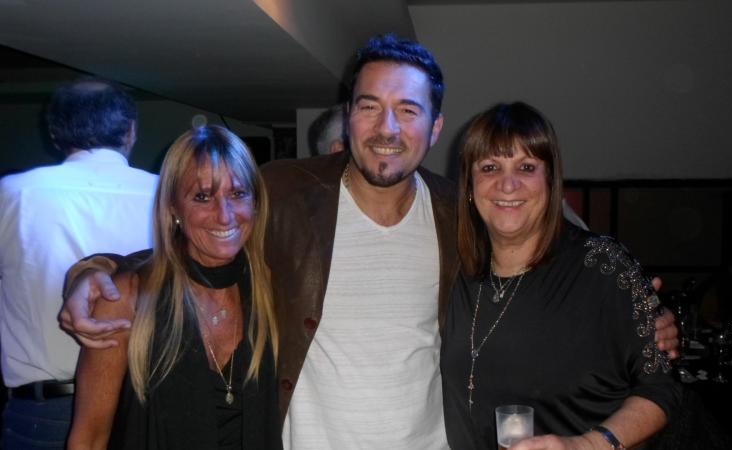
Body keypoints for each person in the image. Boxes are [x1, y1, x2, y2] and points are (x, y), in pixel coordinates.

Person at [58, 35, 679, 449]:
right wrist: (93, 271)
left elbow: (552, 253)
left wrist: (638, 318)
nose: (387, 128)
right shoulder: (286, 193)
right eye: (369, 106)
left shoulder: (460, 212)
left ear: (434, 126)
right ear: (348, 115)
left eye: (407, 110)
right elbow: (199, 234)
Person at [441, 102, 680, 450]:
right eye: (490, 167)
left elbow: (662, 388)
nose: (508, 185)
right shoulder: (455, 269)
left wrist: (586, 445)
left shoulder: (602, 266)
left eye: (526, 167)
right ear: (469, 184)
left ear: (550, 180)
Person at [66, 125, 281, 449]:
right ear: (172, 208)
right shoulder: (126, 298)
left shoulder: (270, 288)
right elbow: (89, 439)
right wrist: (88, 271)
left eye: (238, 194)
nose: (225, 216)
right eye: (202, 197)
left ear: (256, 202)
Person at [0, 78, 158, 449]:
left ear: (54, 134)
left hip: (47, 413)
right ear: (131, 131)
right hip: (148, 408)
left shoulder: (12, 195)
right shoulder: (171, 196)